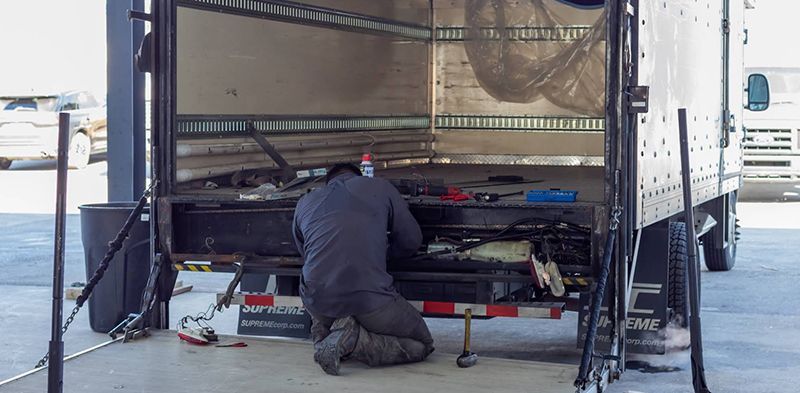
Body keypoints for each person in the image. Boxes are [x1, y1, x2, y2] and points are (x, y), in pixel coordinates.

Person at [292, 163, 434, 375]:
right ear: (358, 176)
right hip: (369, 299)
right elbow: (411, 241)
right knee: (422, 344)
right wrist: (382, 255)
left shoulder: (305, 201)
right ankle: (352, 340)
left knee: (317, 289)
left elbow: (306, 253)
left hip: (318, 301)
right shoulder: (380, 187)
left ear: (328, 182)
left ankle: (325, 332)